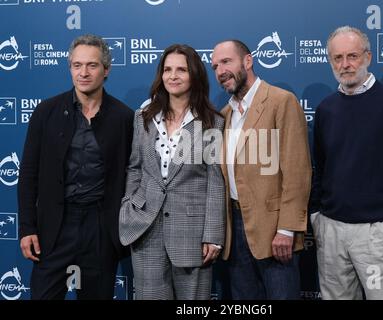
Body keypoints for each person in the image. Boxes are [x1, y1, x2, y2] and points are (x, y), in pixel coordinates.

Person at [310, 26, 383, 300]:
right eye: (337, 58)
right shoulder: (326, 109)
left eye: (352, 56)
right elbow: (319, 169)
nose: (345, 64)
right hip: (331, 233)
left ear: (368, 57)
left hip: (378, 234)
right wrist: (317, 217)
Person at [18, 34, 134, 300]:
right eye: (77, 65)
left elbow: (133, 175)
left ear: (106, 70)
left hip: (100, 228)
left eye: (92, 65)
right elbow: (28, 175)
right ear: (69, 67)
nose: (83, 73)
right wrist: (27, 228)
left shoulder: (124, 117)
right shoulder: (45, 112)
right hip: (54, 227)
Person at [119, 44, 226, 300]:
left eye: (181, 69)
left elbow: (215, 180)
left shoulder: (211, 121)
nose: (173, 76)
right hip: (146, 229)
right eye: (167, 69)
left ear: (194, 75)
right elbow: (135, 167)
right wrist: (129, 204)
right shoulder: (143, 117)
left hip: (192, 233)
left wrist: (213, 235)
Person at [211, 40, 312, 300]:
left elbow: (297, 170)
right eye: (215, 66)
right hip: (234, 233)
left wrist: (287, 229)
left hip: (275, 232)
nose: (220, 71)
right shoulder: (224, 115)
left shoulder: (281, 101)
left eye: (226, 62)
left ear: (248, 61)